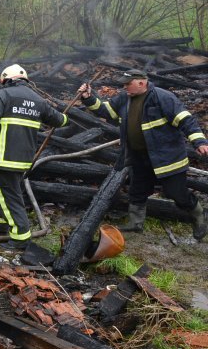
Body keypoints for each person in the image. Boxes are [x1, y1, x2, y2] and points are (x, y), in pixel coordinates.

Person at [79, 69, 208, 240]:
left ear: (141, 82)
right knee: (137, 190)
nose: (124, 87)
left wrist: (199, 141)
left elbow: (185, 119)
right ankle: (135, 223)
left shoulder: (162, 97)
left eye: (127, 84)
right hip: (139, 156)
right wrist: (88, 98)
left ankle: (199, 215)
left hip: (167, 158)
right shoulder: (125, 98)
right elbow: (106, 110)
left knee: (175, 192)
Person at [0, 64, 69, 249]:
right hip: (23, 159)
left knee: (8, 195)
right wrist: (64, 115)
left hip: (2, 157)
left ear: (6, 80)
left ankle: (21, 237)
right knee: (1, 191)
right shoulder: (38, 100)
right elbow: (60, 120)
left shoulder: (3, 95)